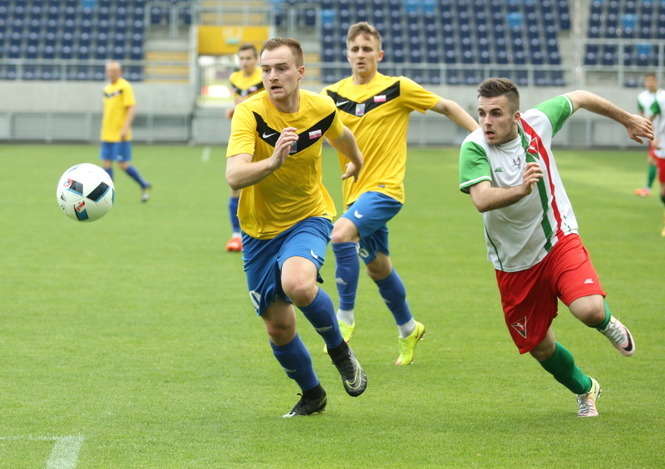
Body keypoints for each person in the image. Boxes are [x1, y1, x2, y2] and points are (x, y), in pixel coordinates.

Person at [458, 78, 650, 417]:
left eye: (496, 113)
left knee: (589, 310)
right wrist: (520, 190)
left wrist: (627, 119)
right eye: (482, 113)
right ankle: (585, 388)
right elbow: (482, 199)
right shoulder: (474, 147)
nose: (487, 121)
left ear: (516, 117)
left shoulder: (538, 123)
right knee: (540, 347)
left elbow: (581, 96)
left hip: (558, 239)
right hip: (513, 263)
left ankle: (606, 323)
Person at [225, 38, 367, 417]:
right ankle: (312, 394)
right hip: (258, 231)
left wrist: (356, 161)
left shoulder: (321, 107)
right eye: (266, 69)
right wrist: (272, 162)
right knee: (278, 327)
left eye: (281, 68)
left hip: (309, 215)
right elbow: (234, 175)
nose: (272, 76)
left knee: (298, 284)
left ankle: (339, 351)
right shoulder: (249, 113)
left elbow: (343, 136)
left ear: (300, 72)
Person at [322, 22, 478, 365]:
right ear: (346, 54)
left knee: (341, 234)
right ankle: (409, 328)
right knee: (378, 268)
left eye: (367, 49)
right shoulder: (331, 95)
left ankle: (343, 319)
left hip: (386, 190)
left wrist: (480, 137)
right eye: (355, 49)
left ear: (379, 54)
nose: (361, 54)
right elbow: (312, 129)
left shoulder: (398, 88)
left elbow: (446, 106)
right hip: (354, 194)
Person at [225, 44, 264, 252]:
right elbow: (238, 102)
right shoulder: (234, 78)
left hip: (263, 135)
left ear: (256, 59)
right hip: (242, 135)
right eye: (241, 58)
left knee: (264, 185)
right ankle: (236, 235)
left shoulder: (263, 77)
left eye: (249, 58)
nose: (245, 62)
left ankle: (263, 231)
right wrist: (234, 110)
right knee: (235, 186)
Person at [100, 61, 151, 202]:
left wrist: (125, 128)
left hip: (120, 134)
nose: (111, 73)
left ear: (120, 72)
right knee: (106, 164)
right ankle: (109, 195)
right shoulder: (107, 89)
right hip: (107, 133)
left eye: (114, 71)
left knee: (122, 165)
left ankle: (143, 184)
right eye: (109, 71)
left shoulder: (125, 87)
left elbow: (131, 108)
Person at [633, 73, 660, 197]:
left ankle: (648, 189)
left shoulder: (661, 96)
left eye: (652, 81)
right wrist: (645, 127)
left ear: (656, 81)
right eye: (647, 81)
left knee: (653, 160)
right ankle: (648, 188)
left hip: (661, 133)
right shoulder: (641, 97)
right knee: (653, 160)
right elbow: (642, 113)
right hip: (653, 133)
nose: (649, 83)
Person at [645, 85, 665, 236]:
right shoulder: (661, 99)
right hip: (663, 149)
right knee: (663, 192)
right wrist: (652, 138)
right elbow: (648, 119)